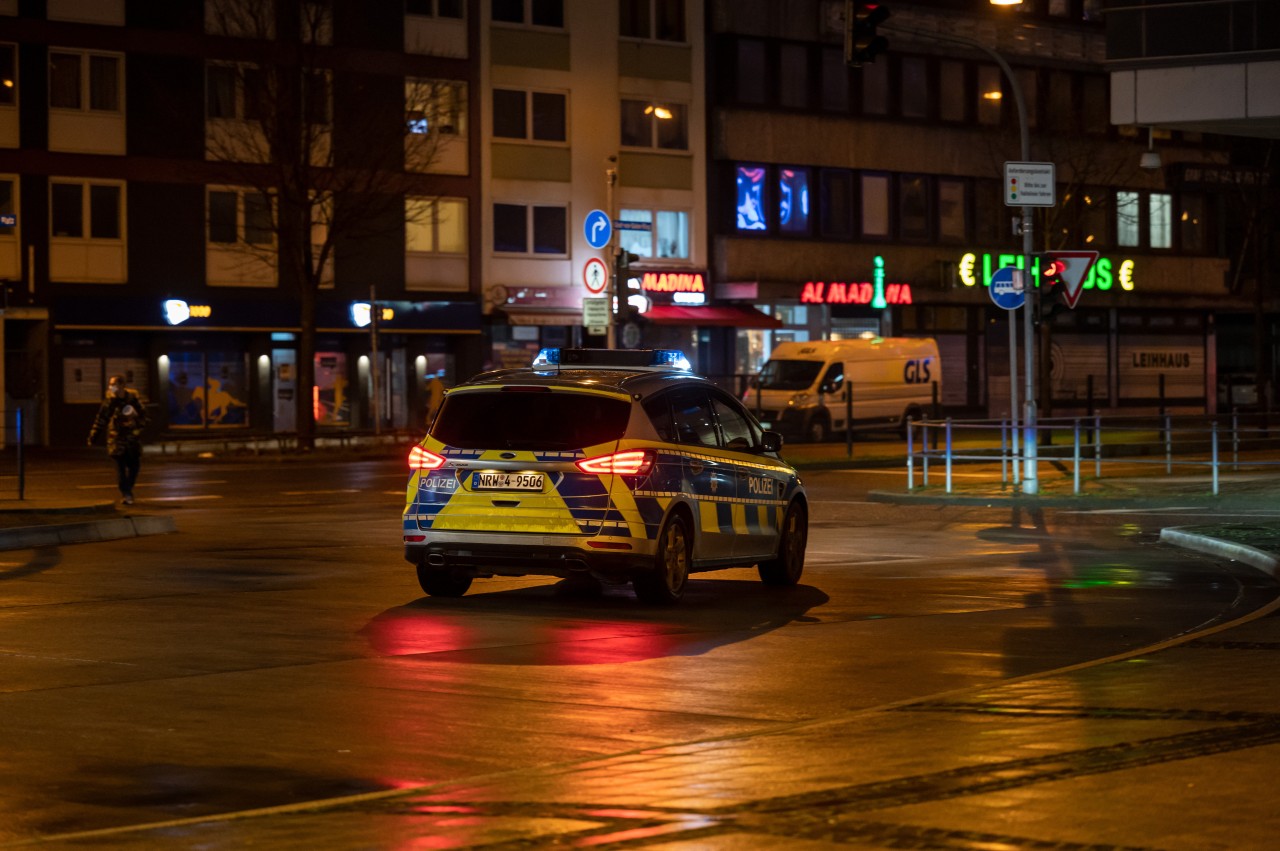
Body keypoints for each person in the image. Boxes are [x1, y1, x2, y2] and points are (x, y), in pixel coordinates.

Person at [87, 374, 149, 506]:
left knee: (134, 467)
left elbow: (144, 416)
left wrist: (135, 424)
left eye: (114, 385)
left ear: (122, 385)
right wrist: (93, 436)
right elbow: (101, 419)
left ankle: (128, 490)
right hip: (117, 440)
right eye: (110, 385)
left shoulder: (133, 399)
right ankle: (127, 493)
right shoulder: (109, 401)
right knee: (120, 468)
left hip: (132, 439)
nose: (111, 387)